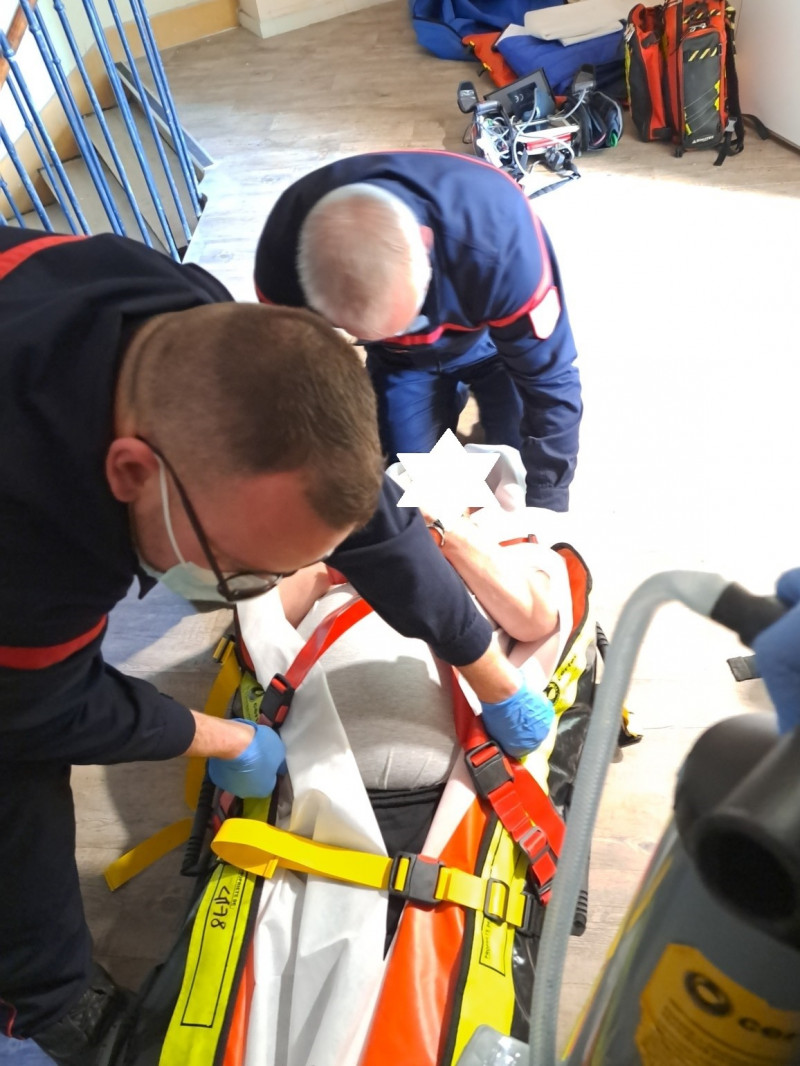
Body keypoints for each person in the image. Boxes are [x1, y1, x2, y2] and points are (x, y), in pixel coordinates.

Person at [0, 227, 554, 1065]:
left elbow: (371, 525)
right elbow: (42, 709)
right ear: (128, 474)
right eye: (242, 574)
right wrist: (219, 737)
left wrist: (486, 667)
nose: (258, 592)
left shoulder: (197, 336)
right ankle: (43, 1003)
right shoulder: (30, 531)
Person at [254, 149, 583, 514]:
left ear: (426, 246)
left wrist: (546, 503)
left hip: (496, 346)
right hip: (400, 361)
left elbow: (550, 381)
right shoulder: (282, 260)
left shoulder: (501, 243)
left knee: (519, 470)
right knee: (414, 489)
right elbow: (295, 383)